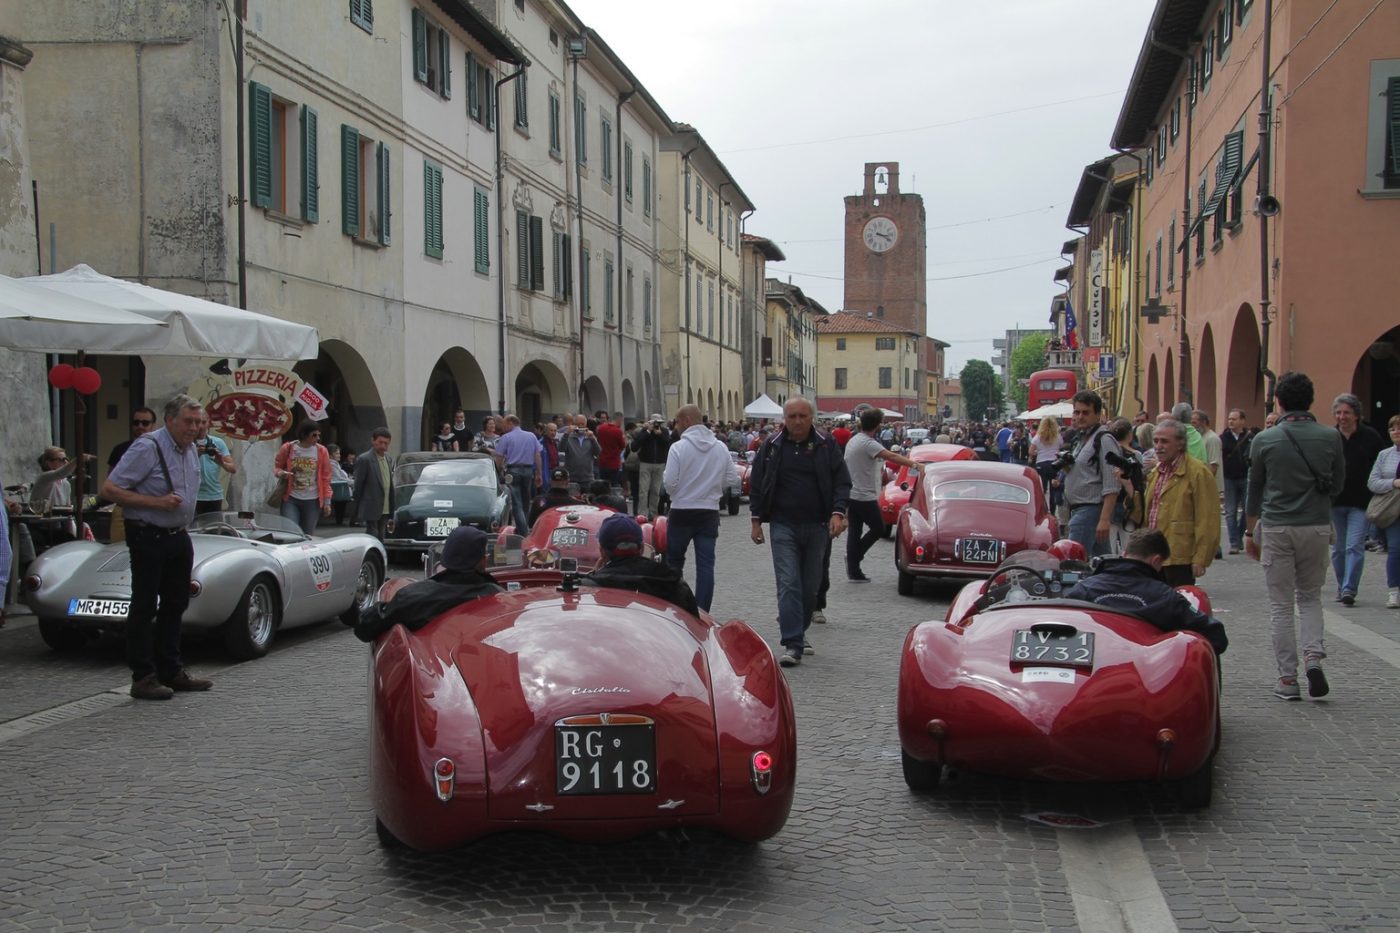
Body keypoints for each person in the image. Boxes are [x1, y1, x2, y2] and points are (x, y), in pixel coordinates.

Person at [99, 394, 212, 701]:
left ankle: (171, 669)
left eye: (198, 422)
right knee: (145, 604)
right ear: (170, 420)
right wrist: (156, 503)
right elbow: (109, 489)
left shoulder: (190, 449)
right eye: (188, 422)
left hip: (178, 535)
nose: (194, 428)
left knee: (176, 603)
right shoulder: (147, 447)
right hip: (148, 534)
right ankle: (143, 676)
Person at [1245, 371, 1345, 701]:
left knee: (1281, 606)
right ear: (1310, 400)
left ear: (1280, 402)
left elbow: (1254, 487)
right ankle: (1314, 657)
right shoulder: (1330, 437)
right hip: (1316, 525)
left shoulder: (1265, 439)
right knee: (1311, 597)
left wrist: (1249, 530)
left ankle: (1288, 679)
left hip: (1276, 525)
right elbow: (1339, 483)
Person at [749, 397, 851, 667]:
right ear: (784, 418)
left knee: (810, 587)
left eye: (802, 416)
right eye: (791, 416)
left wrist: (838, 512)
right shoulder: (771, 445)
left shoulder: (825, 444)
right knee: (788, 583)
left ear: (811, 418)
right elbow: (758, 483)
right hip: (783, 526)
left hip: (817, 525)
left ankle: (798, 626)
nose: (796, 421)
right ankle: (792, 642)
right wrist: (756, 520)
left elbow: (842, 481)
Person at [1064, 529, 1228, 655]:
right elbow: (1216, 635)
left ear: (1124, 553)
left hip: (1092, 668)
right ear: (1156, 560)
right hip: (1142, 675)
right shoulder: (1166, 597)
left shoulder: (1084, 588)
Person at [354, 525, 503, 642]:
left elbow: (364, 627)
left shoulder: (413, 597)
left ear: (445, 557)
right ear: (483, 561)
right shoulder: (498, 597)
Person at [663, 404, 738, 613]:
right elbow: (733, 478)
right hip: (708, 512)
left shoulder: (678, 448)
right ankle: (703, 611)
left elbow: (669, 482)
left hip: (682, 510)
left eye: (677, 421)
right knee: (706, 566)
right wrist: (713, 488)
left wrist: (676, 494)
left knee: (674, 563)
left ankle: (676, 606)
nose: (675, 427)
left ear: (686, 420)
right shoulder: (720, 447)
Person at [1129, 419, 1219, 586]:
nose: (1158, 446)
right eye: (1156, 441)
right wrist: (1129, 487)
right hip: (1152, 554)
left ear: (1180, 444)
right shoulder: (1156, 472)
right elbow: (1143, 514)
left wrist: (1201, 558)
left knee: (1176, 605)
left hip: (1179, 555)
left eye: (1164, 441)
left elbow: (1207, 518)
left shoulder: (1198, 472)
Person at [843, 408, 921, 582]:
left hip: (853, 492)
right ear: (877, 426)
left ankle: (854, 569)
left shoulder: (854, 440)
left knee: (854, 532)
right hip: (864, 495)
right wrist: (916, 465)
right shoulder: (868, 443)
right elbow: (891, 456)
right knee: (878, 528)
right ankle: (855, 558)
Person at [582, 512, 699, 615]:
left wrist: (594, 575)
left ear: (602, 551)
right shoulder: (673, 581)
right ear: (642, 548)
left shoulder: (589, 587)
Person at [1329, 393, 1385, 605]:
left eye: (1346, 413)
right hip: (1336, 502)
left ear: (1356, 415)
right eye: (1338, 412)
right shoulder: (1330, 437)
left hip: (1361, 502)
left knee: (1355, 546)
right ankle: (1341, 583)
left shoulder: (1371, 437)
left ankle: (1349, 589)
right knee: (1338, 549)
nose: (1342, 416)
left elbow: (1379, 465)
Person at [1062, 390, 1122, 559]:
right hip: (1081, 510)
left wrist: (1104, 520)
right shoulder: (1082, 438)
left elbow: (1112, 485)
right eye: (1077, 412)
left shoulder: (1104, 440)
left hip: (1090, 511)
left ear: (1097, 414)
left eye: (1085, 412)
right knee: (1104, 565)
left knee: (1072, 564)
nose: (1080, 416)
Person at [273, 421, 333, 534]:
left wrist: (327, 502)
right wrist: (281, 473)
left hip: (313, 500)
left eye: (318, 435)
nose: (317, 438)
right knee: (290, 533)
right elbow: (277, 467)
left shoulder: (321, 451)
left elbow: (326, 477)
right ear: (304, 434)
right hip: (291, 498)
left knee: (307, 534)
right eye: (314, 435)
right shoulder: (288, 448)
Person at [1367, 414, 1400, 609]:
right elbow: (1372, 482)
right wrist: (1393, 483)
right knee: (1395, 548)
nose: (1396, 432)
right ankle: (1394, 590)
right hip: (1392, 510)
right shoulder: (1384, 455)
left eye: (1399, 427)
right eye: (1392, 428)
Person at [352, 427, 394, 540]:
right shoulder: (364, 459)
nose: (383, 446)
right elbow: (359, 483)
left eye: (386, 443)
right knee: (373, 533)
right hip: (371, 503)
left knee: (382, 534)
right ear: (373, 441)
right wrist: (358, 504)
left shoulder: (388, 459)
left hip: (385, 505)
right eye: (380, 442)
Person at [1220, 409, 1253, 554]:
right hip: (1229, 477)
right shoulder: (1223, 438)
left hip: (1246, 476)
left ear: (1242, 421)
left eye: (1234, 419)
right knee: (1230, 510)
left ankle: (1238, 536)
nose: (1231, 422)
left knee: (1247, 510)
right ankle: (1234, 542)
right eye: (1229, 419)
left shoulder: (1250, 437)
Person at [194, 412, 236, 515]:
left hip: (214, 495)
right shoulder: (186, 443)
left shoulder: (218, 442)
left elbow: (233, 468)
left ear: (209, 423)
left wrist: (221, 462)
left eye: (203, 422)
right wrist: (195, 455)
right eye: (197, 422)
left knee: (213, 528)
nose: (201, 426)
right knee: (192, 528)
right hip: (193, 495)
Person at [631, 414, 671, 520]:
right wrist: (648, 432)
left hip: (660, 463)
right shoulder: (644, 431)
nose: (657, 425)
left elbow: (668, 444)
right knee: (643, 490)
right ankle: (642, 514)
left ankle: (653, 514)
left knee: (655, 490)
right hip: (646, 463)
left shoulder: (664, 431)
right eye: (655, 423)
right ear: (650, 422)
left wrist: (660, 435)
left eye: (659, 423)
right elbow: (634, 447)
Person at [30, 446, 95, 511]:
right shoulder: (44, 477)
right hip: (42, 519)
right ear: (49, 463)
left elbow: (67, 509)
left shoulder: (66, 484)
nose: (66, 462)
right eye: (61, 460)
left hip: (58, 519)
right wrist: (77, 460)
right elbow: (61, 473)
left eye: (66, 459)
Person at [108, 406, 157, 471]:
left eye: (145, 423)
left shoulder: (160, 450)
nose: (140, 426)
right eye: (136, 423)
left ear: (153, 426)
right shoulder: (119, 449)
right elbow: (110, 477)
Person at [560, 414, 601, 489]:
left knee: (587, 499)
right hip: (571, 477)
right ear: (573, 425)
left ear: (586, 425)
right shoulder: (569, 437)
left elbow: (598, 452)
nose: (580, 426)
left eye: (582, 424)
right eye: (578, 424)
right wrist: (566, 434)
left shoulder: (591, 437)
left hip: (588, 478)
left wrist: (593, 439)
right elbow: (561, 449)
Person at [1030, 416, 1063, 506]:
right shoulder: (1057, 436)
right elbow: (1061, 447)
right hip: (1055, 463)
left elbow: (1031, 452)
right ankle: (1052, 511)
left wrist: (1039, 452)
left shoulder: (1038, 437)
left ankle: (1042, 509)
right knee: (1053, 490)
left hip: (1041, 463)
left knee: (1042, 490)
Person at [595, 411, 627, 489]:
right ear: (619, 420)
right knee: (613, 485)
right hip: (613, 462)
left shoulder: (601, 428)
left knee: (602, 485)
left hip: (602, 461)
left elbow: (598, 442)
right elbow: (623, 446)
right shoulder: (618, 431)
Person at [327, 444, 353, 525]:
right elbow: (339, 477)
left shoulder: (335, 464)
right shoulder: (332, 464)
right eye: (337, 453)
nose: (339, 455)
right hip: (338, 488)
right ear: (330, 455)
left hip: (340, 487)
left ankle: (340, 519)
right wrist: (353, 482)